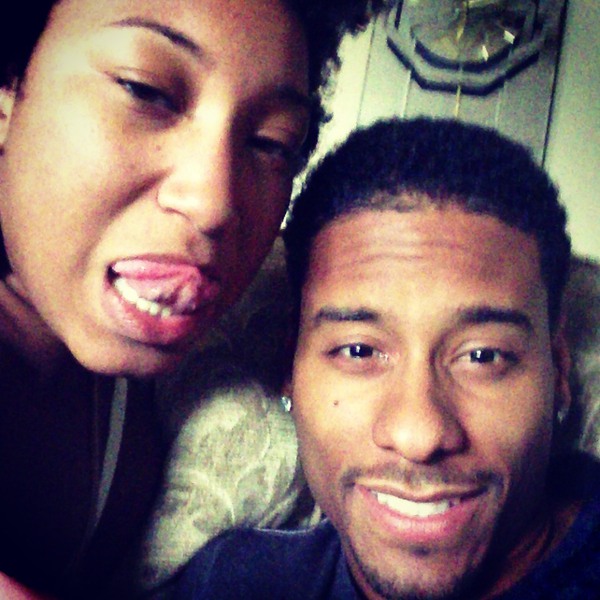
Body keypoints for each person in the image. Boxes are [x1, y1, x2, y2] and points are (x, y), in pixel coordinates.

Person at [0, 0, 386, 597]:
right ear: (8, 93)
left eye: (272, 142)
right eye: (145, 90)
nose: (215, 202)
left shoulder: (129, 414)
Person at [173, 117, 600, 599]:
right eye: (359, 350)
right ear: (290, 366)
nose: (419, 436)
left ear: (558, 370)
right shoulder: (234, 581)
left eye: (482, 356)